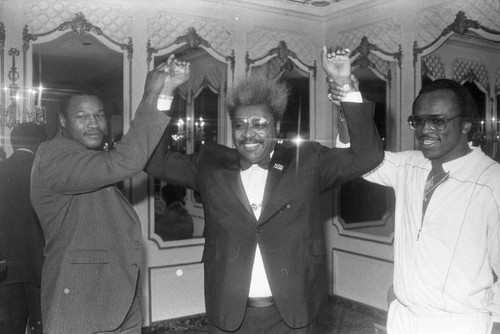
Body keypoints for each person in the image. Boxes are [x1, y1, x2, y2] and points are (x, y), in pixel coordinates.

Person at [144, 47, 384, 333]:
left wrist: (345, 85)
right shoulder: (210, 163)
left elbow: (367, 155)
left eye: (259, 124)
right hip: (230, 315)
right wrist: (165, 92)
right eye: (240, 125)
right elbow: (153, 160)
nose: (248, 133)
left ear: (276, 127)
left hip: (293, 315)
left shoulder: (306, 161)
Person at [328, 71, 500, 331]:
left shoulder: (491, 181)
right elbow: (355, 157)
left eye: (438, 121)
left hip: (460, 324)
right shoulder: (409, 165)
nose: (425, 130)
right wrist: (348, 97)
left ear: (466, 125)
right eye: (418, 121)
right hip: (404, 319)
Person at [30, 56, 190, 334]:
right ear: (62, 121)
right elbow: (127, 161)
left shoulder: (85, 158)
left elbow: (137, 153)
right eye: (82, 117)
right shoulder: (55, 156)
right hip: (81, 305)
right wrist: (152, 92)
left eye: (99, 115)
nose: (94, 124)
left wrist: (166, 92)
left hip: (115, 300)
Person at [0, 123, 46, 334]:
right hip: (41, 267)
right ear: (39, 144)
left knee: (9, 328)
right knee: (43, 327)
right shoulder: (44, 173)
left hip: (6, 271)